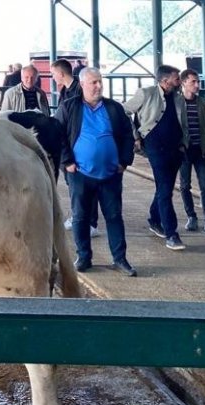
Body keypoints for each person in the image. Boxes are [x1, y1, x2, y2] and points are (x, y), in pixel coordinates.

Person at [54, 67, 137, 276]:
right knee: (80, 217)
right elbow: (58, 135)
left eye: (100, 81)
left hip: (110, 175)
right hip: (80, 174)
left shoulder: (114, 108)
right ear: (82, 84)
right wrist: (67, 162)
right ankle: (83, 257)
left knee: (114, 216)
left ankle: (120, 259)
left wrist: (124, 161)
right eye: (94, 83)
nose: (98, 86)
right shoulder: (69, 107)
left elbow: (128, 135)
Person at [123, 65, 188, 251]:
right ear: (165, 81)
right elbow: (124, 111)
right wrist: (135, 135)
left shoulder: (178, 98)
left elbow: (183, 123)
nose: (179, 81)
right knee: (166, 190)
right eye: (176, 79)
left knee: (163, 187)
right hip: (155, 147)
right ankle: (171, 234)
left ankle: (154, 219)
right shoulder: (146, 93)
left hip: (175, 148)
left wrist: (184, 144)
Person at [51, 58, 99, 237]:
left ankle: (91, 221)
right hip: (68, 146)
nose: (53, 77)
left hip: (81, 145)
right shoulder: (65, 91)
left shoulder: (80, 91)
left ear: (61, 73)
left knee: (89, 185)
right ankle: (78, 216)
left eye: (54, 74)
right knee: (74, 185)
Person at [178, 69, 205, 235]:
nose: (197, 85)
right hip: (184, 151)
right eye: (193, 82)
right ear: (184, 82)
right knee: (185, 185)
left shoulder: (204, 104)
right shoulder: (176, 103)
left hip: (201, 151)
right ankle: (191, 217)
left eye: (197, 82)